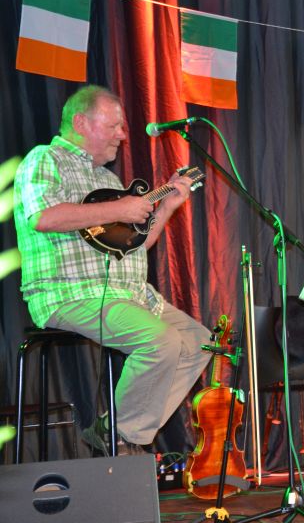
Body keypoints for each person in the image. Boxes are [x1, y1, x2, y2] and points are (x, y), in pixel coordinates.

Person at [13, 85, 212, 455]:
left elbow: (134, 245)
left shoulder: (108, 180)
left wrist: (167, 206)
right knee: (161, 342)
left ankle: (114, 428)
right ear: (81, 123)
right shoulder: (45, 159)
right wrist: (120, 209)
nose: (123, 134)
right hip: (71, 292)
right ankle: (123, 437)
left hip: (129, 295)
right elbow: (43, 217)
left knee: (200, 342)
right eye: (114, 126)